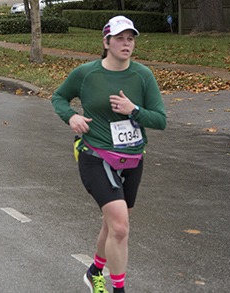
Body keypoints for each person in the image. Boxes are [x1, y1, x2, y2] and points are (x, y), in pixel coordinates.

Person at [52, 16, 166, 293]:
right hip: (95, 155)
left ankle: (94, 272)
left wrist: (133, 110)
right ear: (106, 42)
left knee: (113, 224)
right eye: (120, 39)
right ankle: (118, 289)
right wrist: (71, 117)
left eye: (130, 38)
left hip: (133, 159)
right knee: (120, 226)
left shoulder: (142, 75)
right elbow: (58, 97)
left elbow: (160, 120)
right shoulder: (87, 73)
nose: (126, 44)